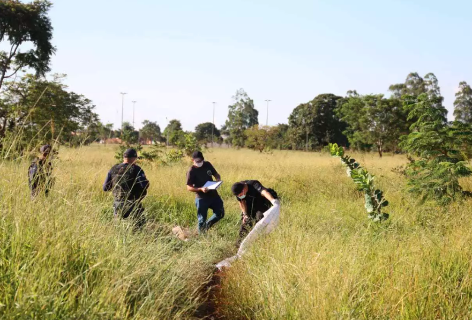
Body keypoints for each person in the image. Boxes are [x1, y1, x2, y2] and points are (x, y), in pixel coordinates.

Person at [103, 148, 149, 228]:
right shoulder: (136, 169)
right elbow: (144, 185)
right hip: (132, 203)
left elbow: (105, 188)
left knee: (119, 227)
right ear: (134, 158)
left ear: (124, 157)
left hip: (117, 203)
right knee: (138, 228)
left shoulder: (113, 169)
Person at [186, 150, 224, 233]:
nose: (199, 162)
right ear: (193, 160)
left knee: (220, 213)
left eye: (201, 160)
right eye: (197, 161)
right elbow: (189, 187)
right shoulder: (191, 171)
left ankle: (206, 226)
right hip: (201, 198)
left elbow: (216, 174)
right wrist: (200, 189)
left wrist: (218, 179)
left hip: (213, 195)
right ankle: (202, 236)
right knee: (202, 219)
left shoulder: (207, 164)